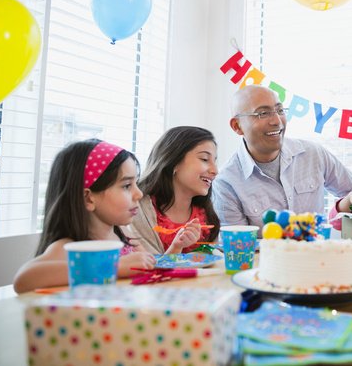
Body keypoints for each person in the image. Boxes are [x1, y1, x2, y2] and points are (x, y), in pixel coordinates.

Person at [212, 85, 352, 229]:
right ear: (237, 126)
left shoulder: (312, 153)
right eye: (263, 114)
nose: (276, 121)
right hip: (266, 262)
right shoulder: (226, 183)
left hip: (320, 257)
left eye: (280, 110)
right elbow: (239, 248)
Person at [13, 140, 156, 294]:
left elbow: (149, 263)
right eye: (126, 186)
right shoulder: (71, 248)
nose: (139, 194)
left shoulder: (123, 234)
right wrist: (114, 267)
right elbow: (23, 279)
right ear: (88, 199)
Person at [129, 126, 221, 254]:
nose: (215, 171)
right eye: (204, 159)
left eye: (214, 161)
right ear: (174, 162)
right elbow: (149, 266)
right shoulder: (137, 210)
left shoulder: (206, 215)